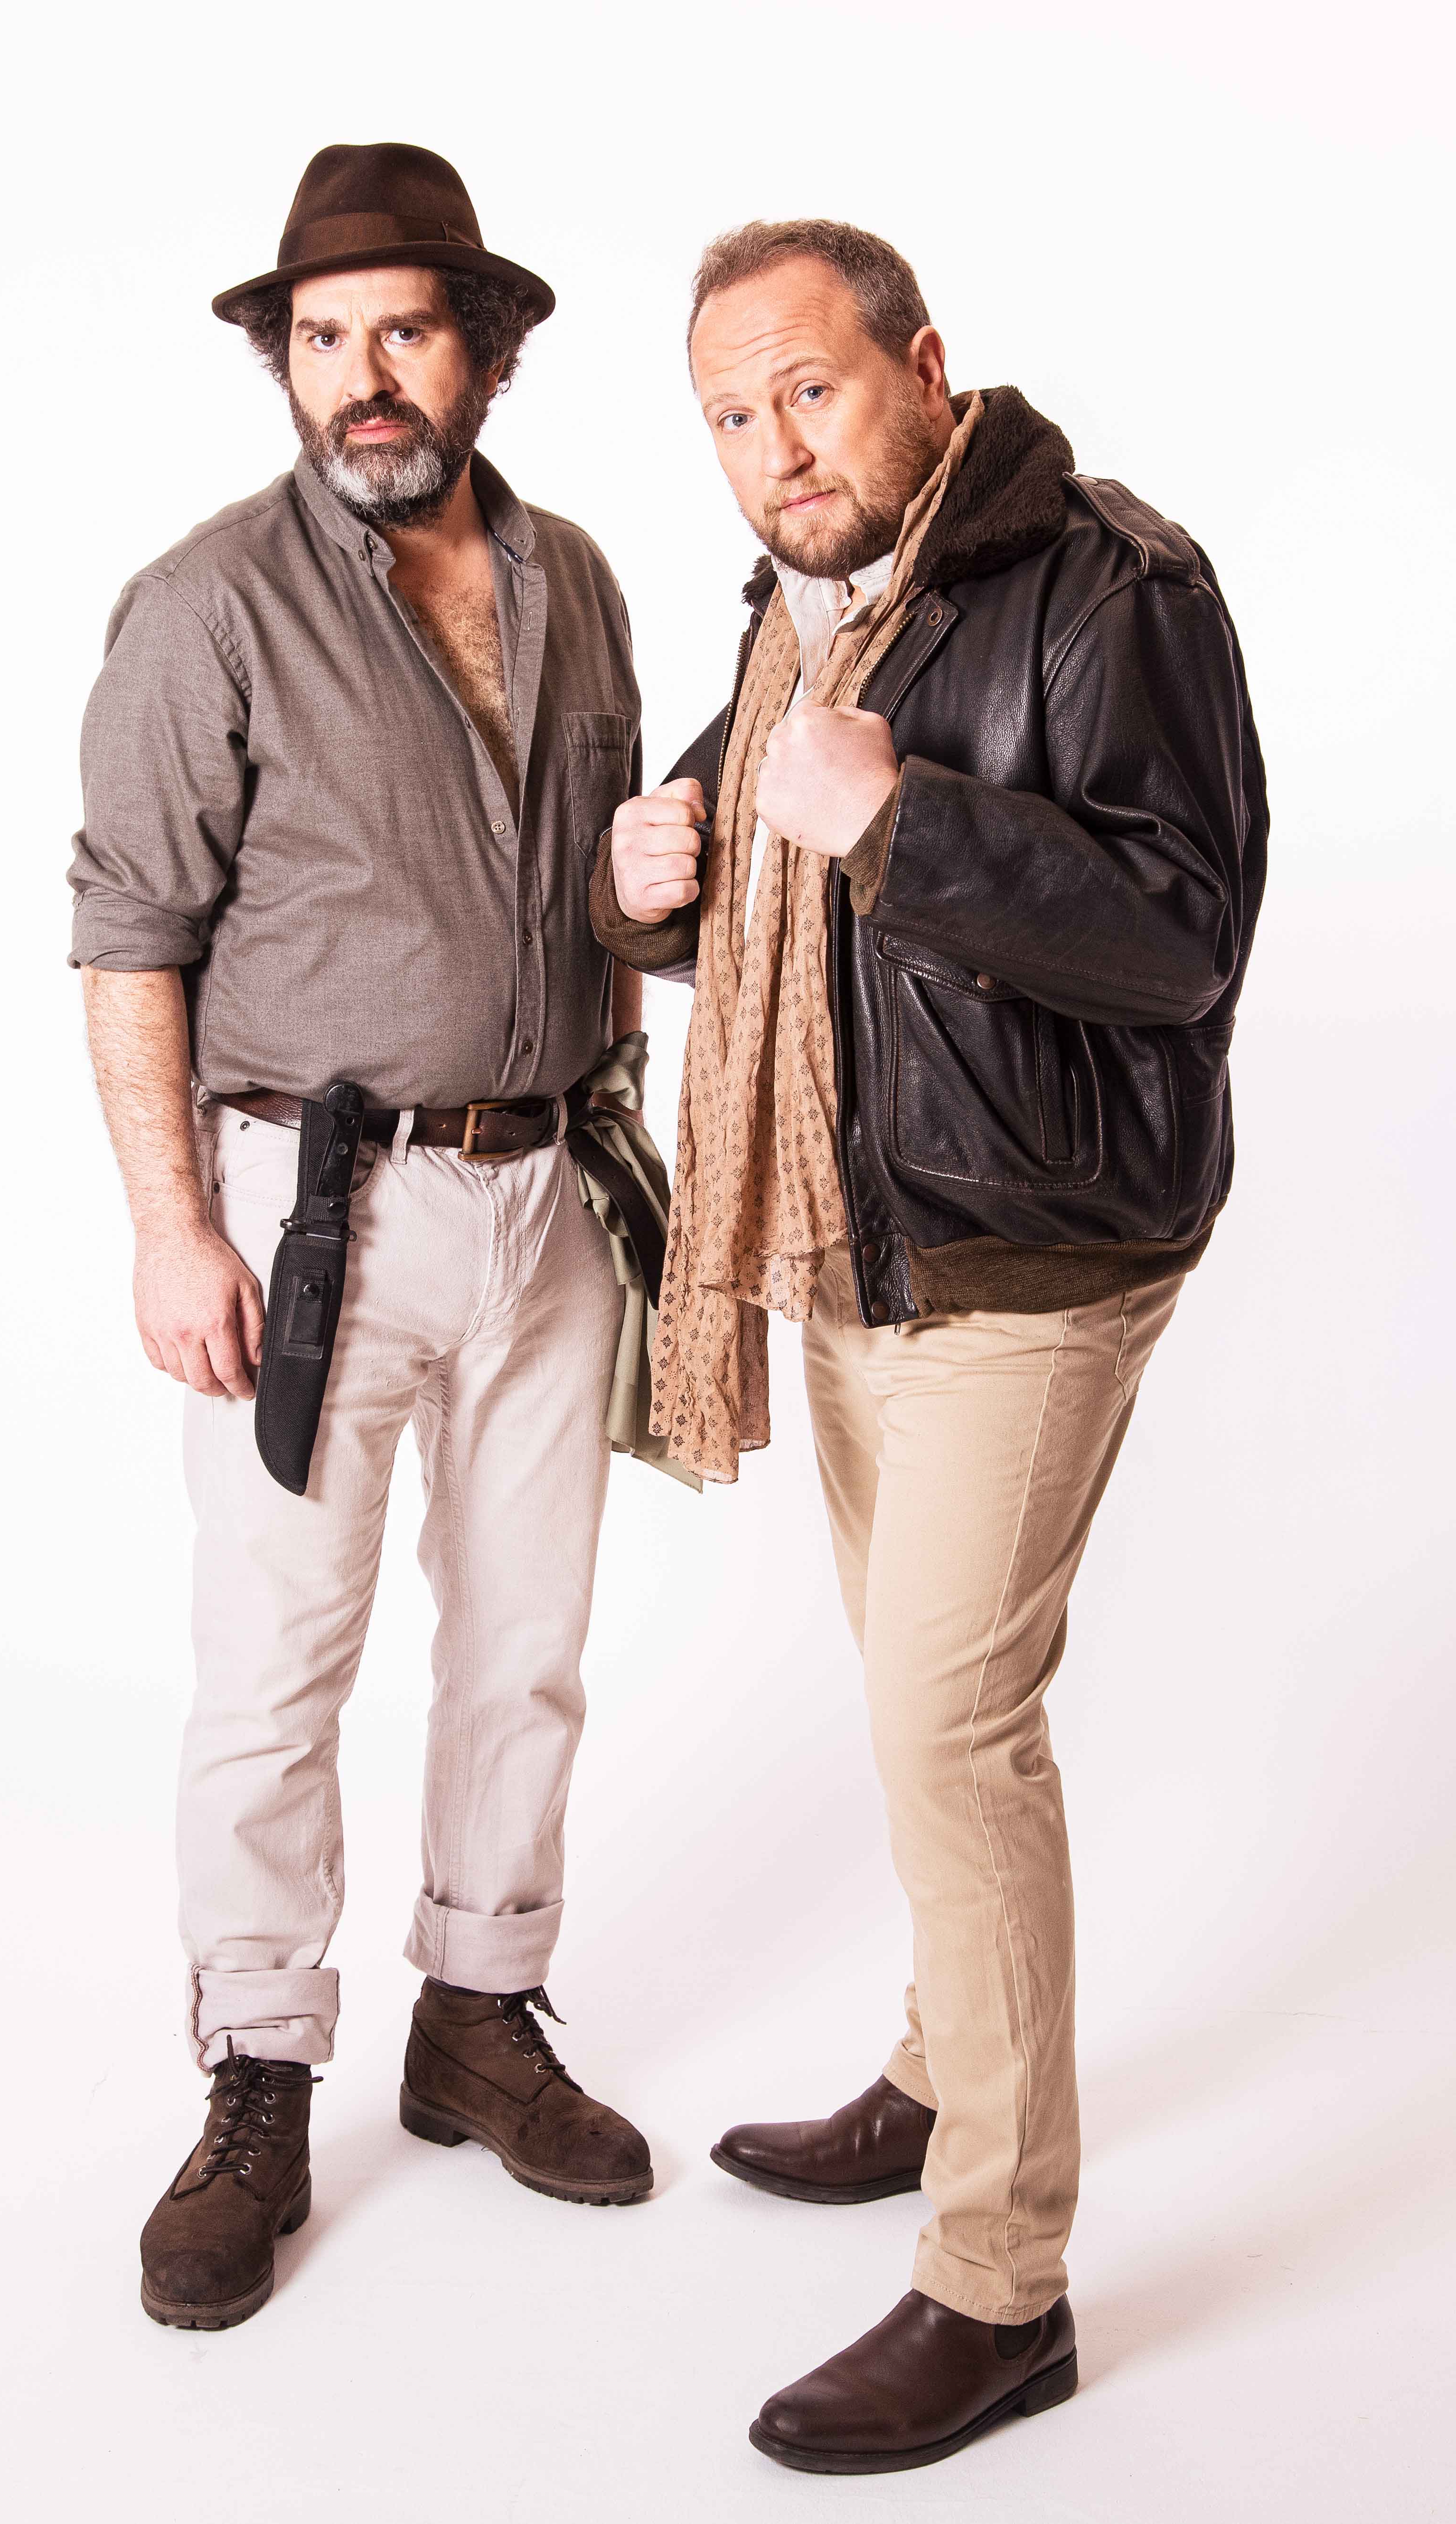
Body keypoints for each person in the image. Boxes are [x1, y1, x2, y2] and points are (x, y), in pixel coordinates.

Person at [593, 219, 1266, 2472]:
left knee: (948, 1733)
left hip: (1035, 1250)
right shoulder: (805, 611)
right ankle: (937, 2064)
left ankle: (1001, 2287)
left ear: (923, 369)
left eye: (808, 388)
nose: (773, 448)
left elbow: (1179, 937)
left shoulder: (1111, 583)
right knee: (917, 1714)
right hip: (861, 1242)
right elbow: (751, 881)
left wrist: (903, 817)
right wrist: (641, 881)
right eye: (729, 415)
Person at [70, 142, 656, 2336]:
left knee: (526, 1645)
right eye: (322, 337)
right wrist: (170, 1228)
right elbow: (129, 930)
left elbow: (594, 891)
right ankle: (255, 2076)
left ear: (484, 351)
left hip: (551, 1192)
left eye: (404, 329)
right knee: (275, 1662)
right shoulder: (208, 602)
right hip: (311, 1217)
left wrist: (646, 931)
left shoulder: (574, 577)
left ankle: (480, 2019)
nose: (362, 376)